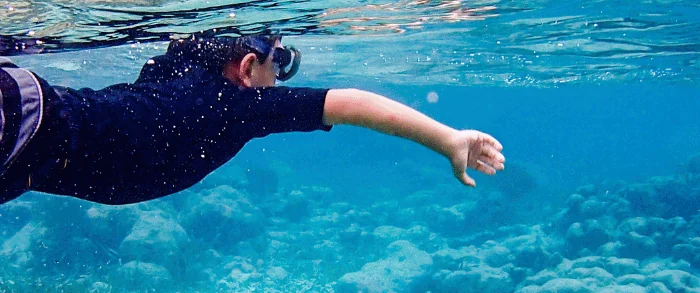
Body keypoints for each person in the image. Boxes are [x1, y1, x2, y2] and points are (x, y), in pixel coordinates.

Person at [0, 33, 505, 206]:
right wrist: (446, 138)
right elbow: (349, 102)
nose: (277, 83)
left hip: (23, 149)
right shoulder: (235, 107)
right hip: (23, 125)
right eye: (276, 67)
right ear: (246, 66)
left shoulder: (170, 78)